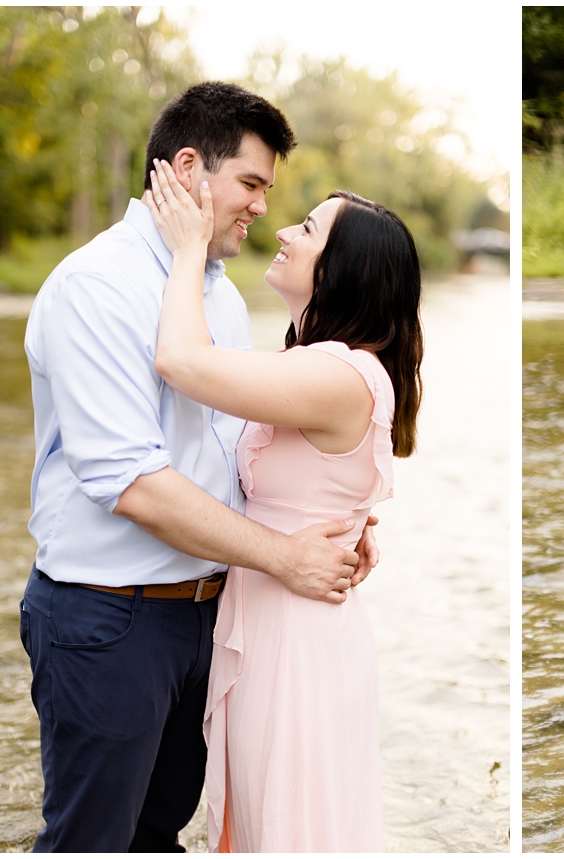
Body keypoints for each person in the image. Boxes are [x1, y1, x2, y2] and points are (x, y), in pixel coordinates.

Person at [19, 81, 377, 853]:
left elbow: (232, 451)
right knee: (90, 839)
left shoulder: (212, 292)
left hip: (204, 614)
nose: (260, 207)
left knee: (159, 833)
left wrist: (344, 521)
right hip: (109, 615)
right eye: (251, 183)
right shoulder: (96, 288)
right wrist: (286, 557)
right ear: (188, 167)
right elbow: (133, 483)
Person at [143, 154, 423, 851]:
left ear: (338, 271)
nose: (286, 232)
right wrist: (358, 522)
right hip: (276, 613)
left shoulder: (337, 373)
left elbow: (180, 360)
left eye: (308, 227)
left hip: (297, 638)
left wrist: (186, 249)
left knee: (290, 823)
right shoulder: (327, 365)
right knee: (261, 817)